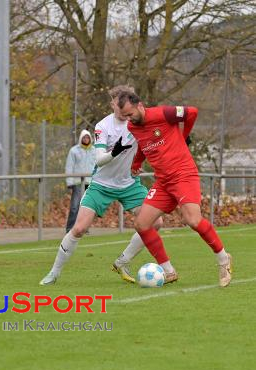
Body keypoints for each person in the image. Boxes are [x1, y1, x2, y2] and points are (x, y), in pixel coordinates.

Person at [40, 85, 163, 285]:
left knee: (155, 223)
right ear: (113, 104)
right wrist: (115, 152)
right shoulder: (103, 126)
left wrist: (138, 164)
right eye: (119, 104)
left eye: (128, 104)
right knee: (79, 228)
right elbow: (98, 160)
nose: (124, 110)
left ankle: (123, 261)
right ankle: (53, 273)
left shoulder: (138, 120)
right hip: (102, 184)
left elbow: (149, 145)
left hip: (129, 184)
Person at [117, 90, 232, 287]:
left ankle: (223, 259)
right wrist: (136, 164)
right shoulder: (133, 127)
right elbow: (144, 145)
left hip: (183, 174)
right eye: (125, 116)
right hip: (163, 182)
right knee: (142, 224)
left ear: (139, 105)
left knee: (192, 220)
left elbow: (192, 112)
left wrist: (183, 135)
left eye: (130, 114)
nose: (129, 119)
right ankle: (169, 271)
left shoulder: (163, 114)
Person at [64, 129, 96, 232]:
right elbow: (69, 166)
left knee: (87, 207)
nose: (86, 139)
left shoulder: (94, 150)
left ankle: (83, 227)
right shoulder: (74, 150)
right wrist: (70, 182)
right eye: (84, 137)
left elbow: (97, 166)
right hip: (78, 182)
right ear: (81, 138)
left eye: (87, 137)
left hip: (89, 182)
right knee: (75, 206)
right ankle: (70, 227)